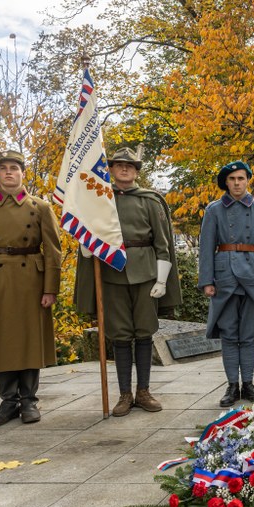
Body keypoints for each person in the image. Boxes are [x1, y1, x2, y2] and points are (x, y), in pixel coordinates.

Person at [74, 147, 182, 417]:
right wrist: (85, 245)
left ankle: (143, 391)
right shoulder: (100, 199)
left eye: (130, 165)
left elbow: (162, 243)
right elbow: (89, 234)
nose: (124, 169)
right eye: (119, 165)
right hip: (112, 274)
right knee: (120, 336)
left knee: (144, 332)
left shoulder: (150, 200)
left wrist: (162, 279)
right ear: (111, 169)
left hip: (146, 274)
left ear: (137, 170)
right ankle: (125, 394)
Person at [0, 150, 62, 426]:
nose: (9, 172)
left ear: (22, 173)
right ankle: (8, 403)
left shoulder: (40, 207)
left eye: (14, 168)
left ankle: (29, 401)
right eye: (3, 168)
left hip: (31, 278)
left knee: (29, 339)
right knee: (2, 339)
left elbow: (53, 252)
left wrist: (50, 288)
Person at [198, 160, 254, 407]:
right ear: (226, 182)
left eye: (241, 178)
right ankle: (232, 385)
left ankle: (249, 384)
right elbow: (206, 247)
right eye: (232, 179)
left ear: (247, 180)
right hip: (225, 277)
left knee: (248, 336)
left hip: (253, 277)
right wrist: (207, 281)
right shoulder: (214, 210)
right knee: (229, 335)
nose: (236, 183)